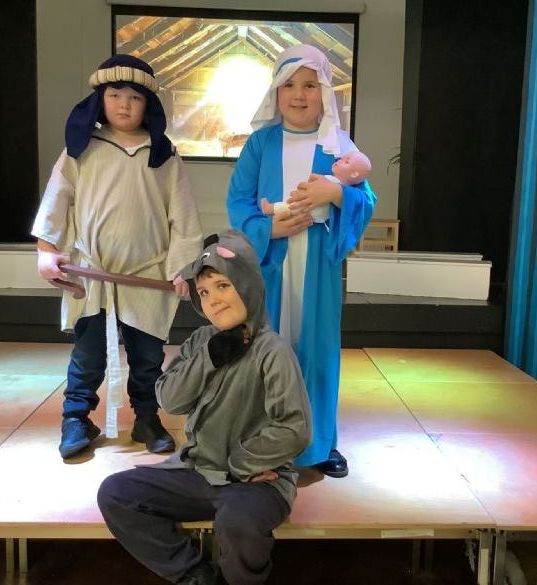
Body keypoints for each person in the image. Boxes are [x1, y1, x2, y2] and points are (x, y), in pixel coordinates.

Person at [97, 230, 311, 585]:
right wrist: (209, 358)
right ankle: (195, 576)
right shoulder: (201, 341)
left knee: (238, 522)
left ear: (247, 286)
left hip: (254, 480)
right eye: (204, 292)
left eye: (223, 286)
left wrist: (240, 464)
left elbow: (293, 428)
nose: (213, 300)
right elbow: (170, 398)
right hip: (196, 472)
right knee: (116, 493)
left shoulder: (272, 351)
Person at [32, 54, 202, 459]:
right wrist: (47, 249)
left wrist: (183, 266)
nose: (124, 105)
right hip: (92, 273)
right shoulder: (81, 150)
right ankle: (76, 418)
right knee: (88, 355)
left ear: (148, 104)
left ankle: (147, 418)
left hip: (147, 275)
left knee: (147, 357)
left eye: (135, 97)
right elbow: (57, 199)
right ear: (100, 99)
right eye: (115, 95)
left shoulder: (163, 155)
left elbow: (182, 215)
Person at [227, 44, 376, 478]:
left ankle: (319, 442)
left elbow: (366, 199)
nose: (299, 94)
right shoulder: (260, 143)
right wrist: (267, 230)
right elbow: (238, 201)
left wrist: (337, 193)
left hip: (318, 266)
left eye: (310, 85)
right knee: (266, 347)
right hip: (270, 264)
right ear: (276, 92)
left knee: (317, 349)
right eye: (289, 84)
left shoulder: (338, 144)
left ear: (325, 92)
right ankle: (262, 438)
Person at [260, 150, 372, 218]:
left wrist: (337, 193)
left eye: (346, 161)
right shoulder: (261, 140)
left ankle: (272, 208)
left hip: (317, 227)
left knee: (292, 206)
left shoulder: (341, 145)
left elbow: (365, 202)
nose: (339, 160)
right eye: (341, 158)